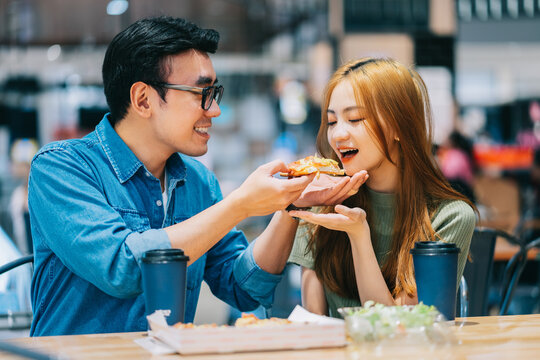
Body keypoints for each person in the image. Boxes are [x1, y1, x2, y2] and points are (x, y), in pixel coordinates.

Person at [27, 17, 365, 336]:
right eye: (202, 93)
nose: (214, 110)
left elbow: (244, 289)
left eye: (214, 94)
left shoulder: (197, 182)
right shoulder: (62, 168)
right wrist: (239, 206)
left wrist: (289, 208)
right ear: (143, 99)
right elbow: (124, 266)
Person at [287, 58, 477, 317]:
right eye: (332, 122)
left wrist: (358, 235)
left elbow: (399, 331)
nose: (338, 135)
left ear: (399, 126)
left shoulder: (450, 217)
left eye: (355, 119)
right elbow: (315, 323)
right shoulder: (322, 201)